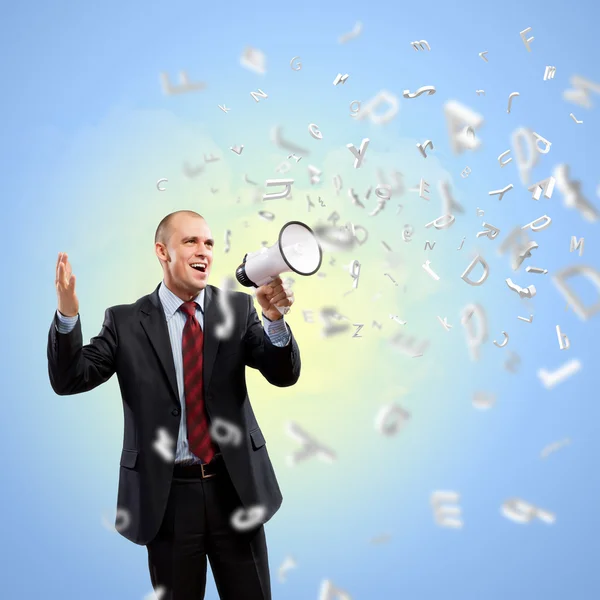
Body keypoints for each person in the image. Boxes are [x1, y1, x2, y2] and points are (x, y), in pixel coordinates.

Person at [47, 210, 301, 600]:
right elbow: (69, 379)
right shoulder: (125, 322)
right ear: (162, 251)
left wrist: (273, 319)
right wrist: (67, 315)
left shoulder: (237, 310)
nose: (204, 251)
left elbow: (282, 374)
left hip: (236, 489)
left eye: (209, 243)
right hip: (166, 499)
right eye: (191, 242)